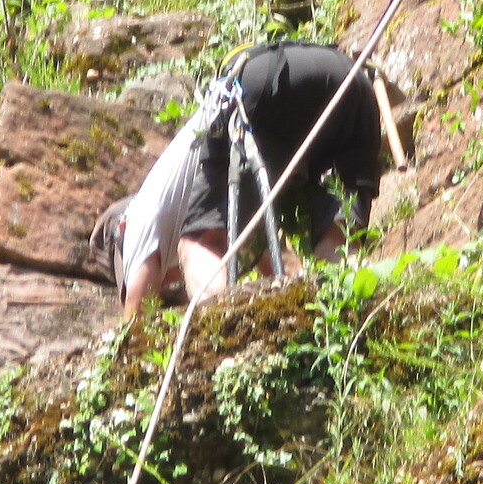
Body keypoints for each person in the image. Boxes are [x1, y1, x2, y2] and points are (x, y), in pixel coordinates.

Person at [98, 41, 384, 320]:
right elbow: (278, 264)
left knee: (200, 244)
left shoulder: (135, 224)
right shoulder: (189, 201)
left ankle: (219, 333)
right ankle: (348, 323)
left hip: (259, 86)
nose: (167, 287)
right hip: (352, 82)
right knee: (339, 235)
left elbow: (134, 322)